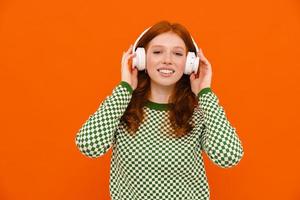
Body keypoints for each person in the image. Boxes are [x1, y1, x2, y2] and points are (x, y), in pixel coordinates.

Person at [75, 20, 244, 200]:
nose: (167, 60)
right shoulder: (120, 109)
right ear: (140, 59)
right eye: (157, 52)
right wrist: (125, 87)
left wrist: (205, 93)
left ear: (190, 63)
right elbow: (88, 146)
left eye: (178, 54)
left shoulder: (198, 116)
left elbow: (229, 157)